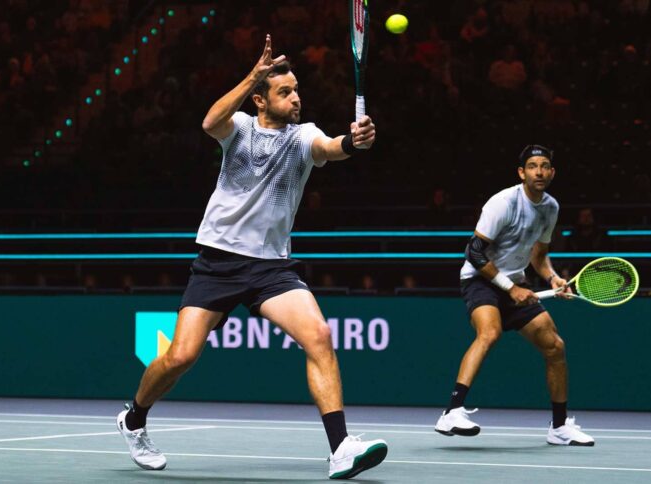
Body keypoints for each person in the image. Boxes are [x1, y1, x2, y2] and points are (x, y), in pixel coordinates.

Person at [116, 36, 387, 479]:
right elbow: (209, 122)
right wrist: (252, 76)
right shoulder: (240, 127)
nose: (296, 98)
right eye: (285, 92)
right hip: (219, 261)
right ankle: (134, 419)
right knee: (181, 356)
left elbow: (331, 147)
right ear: (260, 99)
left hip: (271, 268)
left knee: (319, 335)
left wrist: (354, 143)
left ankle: (340, 447)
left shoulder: (303, 136)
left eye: (297, 90)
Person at [434, 145, 594, 446]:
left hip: (516, 282)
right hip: (480, 279)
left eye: (544, 166)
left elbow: (539, 255)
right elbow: (474, 252)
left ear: (552, 172)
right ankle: (452, 412)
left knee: (555, 346)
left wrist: (552, 278)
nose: (539, 172)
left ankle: (560, 427)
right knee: (489, 332)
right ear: (522, 172)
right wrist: (511, 289)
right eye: (532, 166)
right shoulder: (503, 203)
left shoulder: (551, 208)